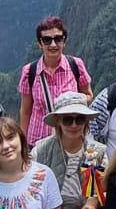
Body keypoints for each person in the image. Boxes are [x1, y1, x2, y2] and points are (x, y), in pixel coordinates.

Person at [31, 92, 107, 209]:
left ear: (86, 122)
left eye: (79, 119)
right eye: (67, 119)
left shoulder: (96, 152)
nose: (74, 125)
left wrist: (94, 201)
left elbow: (104, 187)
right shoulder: (41, 152)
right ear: (58, 121)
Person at [17, 16, 94, 149]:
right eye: (47, 40)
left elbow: (89, 96)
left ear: (64, 41)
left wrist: (72, 101)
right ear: (40, 44)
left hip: (70, 140)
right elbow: (25, 111)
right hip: (37, 143)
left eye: (58, 39)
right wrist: (22, 144)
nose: (53, 45)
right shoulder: (30, 72)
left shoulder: (76, 65)